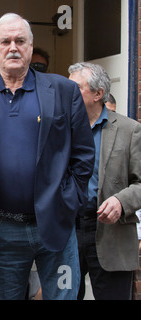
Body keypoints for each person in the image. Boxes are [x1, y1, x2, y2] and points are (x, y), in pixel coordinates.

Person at [0, 13, 95, 300]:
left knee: (65, 295)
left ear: (31, 46)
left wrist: (67, 204)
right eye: (5, 41)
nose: (13, 48)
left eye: (20, 41)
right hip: (0, 230)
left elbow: (83, 155)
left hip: (55, 227)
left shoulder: (63, 90)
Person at [68, 62, 141, 300]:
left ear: (98, 94)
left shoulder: (130, 130)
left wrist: (121, 201)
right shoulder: (59, 129)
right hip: (69, 231)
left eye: (75, 87)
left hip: (112, 232)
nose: (67, 93)